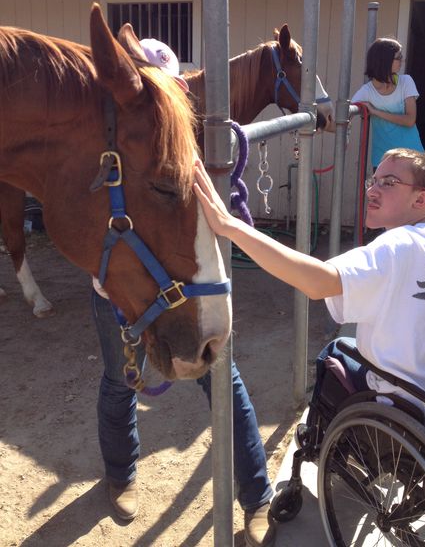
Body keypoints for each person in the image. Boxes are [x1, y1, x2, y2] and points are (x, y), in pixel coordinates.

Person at [93, 39, 275, 547]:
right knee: (119, 380)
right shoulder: (111, 146)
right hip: (121, 289)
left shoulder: (189, 149)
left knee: (223, 381)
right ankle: (121, 473)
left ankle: (257, 496)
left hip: (186, 288)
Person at [194, 148, 425, 424]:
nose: (372, 191)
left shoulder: (397, 246)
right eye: (373, 181)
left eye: (389, 183)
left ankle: (320, 441)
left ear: (421, 199)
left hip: (399, 407)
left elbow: (319, 283)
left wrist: (230, 226)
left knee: (336, 351)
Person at [352, 37, 424, 169]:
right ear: (385, 60)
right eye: (398, 57)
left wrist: (376, 112)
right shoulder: (367, 91)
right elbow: (346, 113)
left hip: (412, 157)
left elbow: (410, 120)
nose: (402, 60)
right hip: (383, 160)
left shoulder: (406, 81)